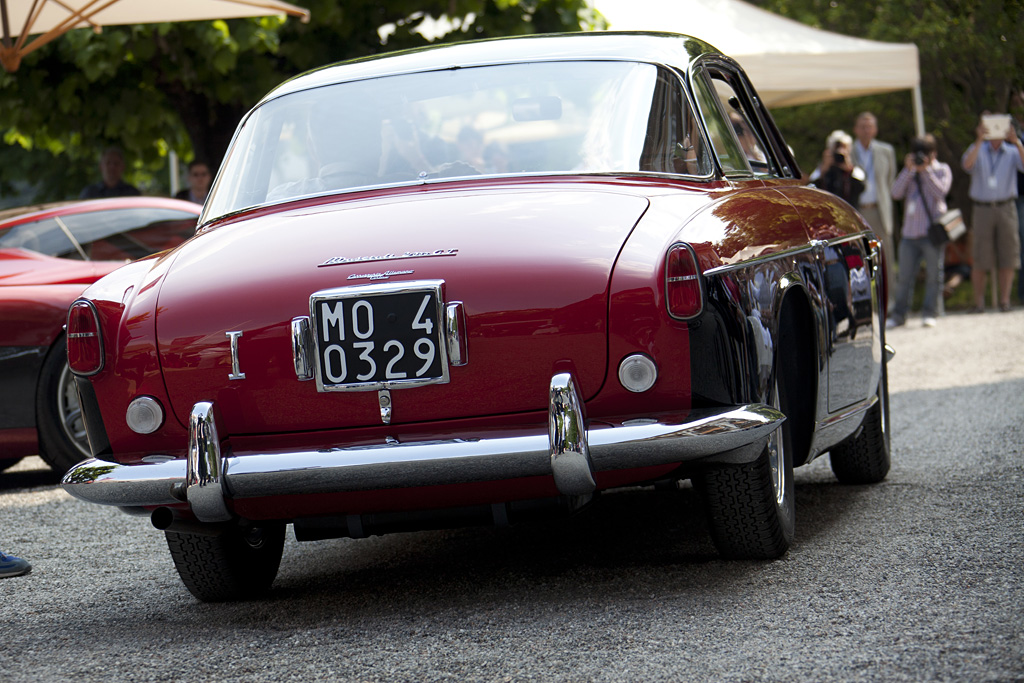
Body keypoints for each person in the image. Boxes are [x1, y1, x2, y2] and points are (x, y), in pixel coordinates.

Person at [887, 135, 953, 328]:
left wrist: (925, 172)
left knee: (934, 275)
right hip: (909, 233)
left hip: (931, 234)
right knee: (904, 277)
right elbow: (895, 193)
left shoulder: (942, 170)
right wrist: (909, 170)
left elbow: (941, 193)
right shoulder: (910, 171)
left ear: (933, 154)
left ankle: (930, 312)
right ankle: (899, 316)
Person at [961, 112, 1024, 312]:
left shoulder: (1013, 151)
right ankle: (979, 303)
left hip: (1006, 207)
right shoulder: (976, 148)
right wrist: (979, 139)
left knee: (1009, 254)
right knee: (980, 256)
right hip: (982, 208)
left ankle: (1005, 301)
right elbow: (967, 165)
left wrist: (1017, 141)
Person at [851, 112, 898, 299]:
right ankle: (864, 300)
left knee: (886, 256)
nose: (866, 130)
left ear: (876, 129)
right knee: (860, 256)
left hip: (879, 209)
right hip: (858, 210)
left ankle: (891, 300)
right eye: (862, 126)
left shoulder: (886, 150)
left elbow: (890, 180)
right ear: (855, 129)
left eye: (869, 126)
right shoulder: (848, 150)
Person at [811, 129, 866, 206]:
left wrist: (849, 169)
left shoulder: (855, 170)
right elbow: (811, 187)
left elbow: (862, 187)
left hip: (848, 211)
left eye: (844, 148)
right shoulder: (823, 169)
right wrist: (824, 169)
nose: (840, 152)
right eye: (836, 148)